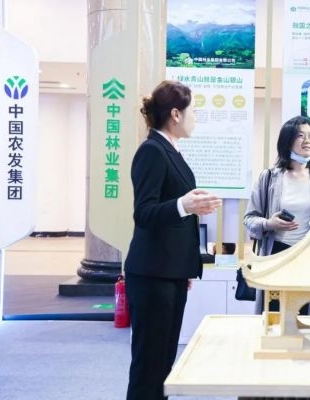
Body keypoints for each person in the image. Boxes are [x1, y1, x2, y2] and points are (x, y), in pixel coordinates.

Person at [124, 80, 222, 400]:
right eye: (194, 111)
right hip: (152, 274)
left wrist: (184, 266)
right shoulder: (152, 151)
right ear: (176, 114)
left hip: (169, 272)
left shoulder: (171, 150)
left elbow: (171, 211)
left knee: (164, 361)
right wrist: (184, 204)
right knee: (150, 364)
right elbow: (144, 213)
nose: (196, 118)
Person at [244, 115, 310, 313]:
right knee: (275, 314)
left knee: (308, 317)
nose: (307, 141)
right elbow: (249, 219)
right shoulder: (269, 177)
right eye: (300, 135)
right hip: (278, 253)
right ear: (287, 140)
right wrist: (269, 224)